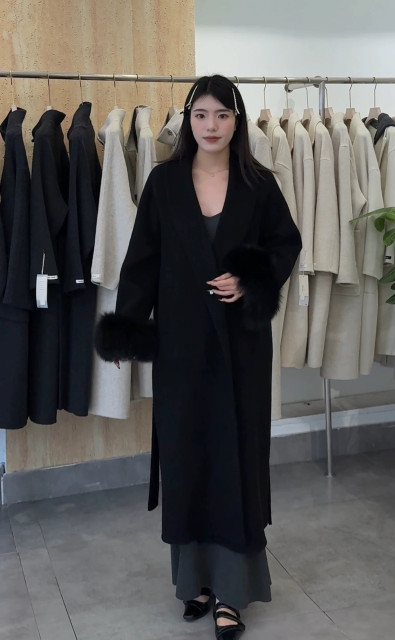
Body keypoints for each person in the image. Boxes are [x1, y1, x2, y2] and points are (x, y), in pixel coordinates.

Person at [95, 74, 302, 640]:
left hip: (240, 348)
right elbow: (141, 259)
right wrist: (127, 329)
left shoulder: (258, 183)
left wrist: (250, 277)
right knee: (188, 457)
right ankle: (196, 583)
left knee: (235, 459)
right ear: (188, 120)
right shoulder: (164, 182)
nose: (212, 126)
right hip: (182, 346)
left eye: (223, 115)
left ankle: (231, 592)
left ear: (238, 121)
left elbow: (286, 244)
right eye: (202, 115)